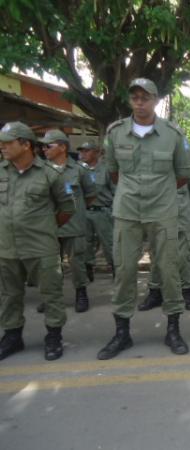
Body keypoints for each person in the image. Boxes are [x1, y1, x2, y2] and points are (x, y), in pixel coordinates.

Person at [97, 78, 190, 360]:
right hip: (127, 211)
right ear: (130, 100)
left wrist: (158, 194)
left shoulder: (173, 134)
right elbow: (114, 173)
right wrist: (135, 192)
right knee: (124, 270)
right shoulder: (115, 133)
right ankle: (121, 333)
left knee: (168, 269)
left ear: (156, 100)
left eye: (146, 97)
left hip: (163, 211)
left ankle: (173, 329)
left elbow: (183, 173)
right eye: (135, 97)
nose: (140, 102)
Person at [0, 122, 74, 360]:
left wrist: (46, 229)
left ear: (26, 144)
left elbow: (67, 208)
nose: (3, 147)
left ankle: (53, 336)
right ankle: (12, 336)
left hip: (41, 247)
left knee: (50, 293)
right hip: (6, 247)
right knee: (9, 295)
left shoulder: (50, 174)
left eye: (8, 142)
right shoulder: (1, 171)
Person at [40, 130, 97, 313]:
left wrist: (76, 212)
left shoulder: (79, 170)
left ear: (62, 147)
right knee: (49, 265)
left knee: (77, 263)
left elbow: (90, 196)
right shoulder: (41, 170)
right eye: (43, 146)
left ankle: (81, 294)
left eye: (48, 145)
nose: (44, 149)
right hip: (49, 225)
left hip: (73, 226)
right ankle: (51, 298)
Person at [140, 163, 190, 312]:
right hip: (157, 218)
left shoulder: (187, 168)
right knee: (156, 256)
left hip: (180, 219)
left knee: (183, 257)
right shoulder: (151, 165)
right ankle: (155, 293)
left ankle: (186, 293)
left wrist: (180, 206)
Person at [78, 141, 116, 280]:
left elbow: (115, 191)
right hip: (84, 212)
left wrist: (113, 211)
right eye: (81, 151)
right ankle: (88, 271)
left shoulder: (106, 169)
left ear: (97, 153)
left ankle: (116, 272)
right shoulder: (79, 169)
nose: (83, 154)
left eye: (87, 151)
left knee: (109, 243)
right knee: (85, 243)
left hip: (103, 212)